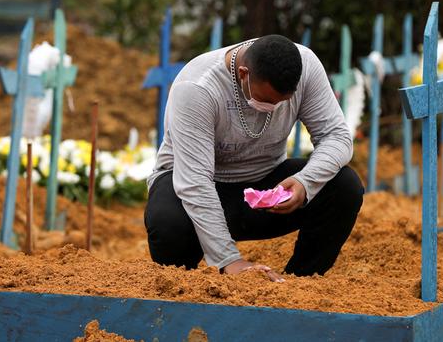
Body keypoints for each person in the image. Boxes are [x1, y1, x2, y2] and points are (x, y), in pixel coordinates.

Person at [145, 34, 363, 282]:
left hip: (262, 188)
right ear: (243, 73)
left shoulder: (307, 67)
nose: (274, 107)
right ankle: (184, 289)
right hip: (193, 188)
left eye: (283, 102)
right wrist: (230, 260)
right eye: (267, 100)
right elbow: (194, 182)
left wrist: (306, 181)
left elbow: (337, 137)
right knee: (168, 224)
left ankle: (299, 284)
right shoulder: (197, 88)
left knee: (344, 186)